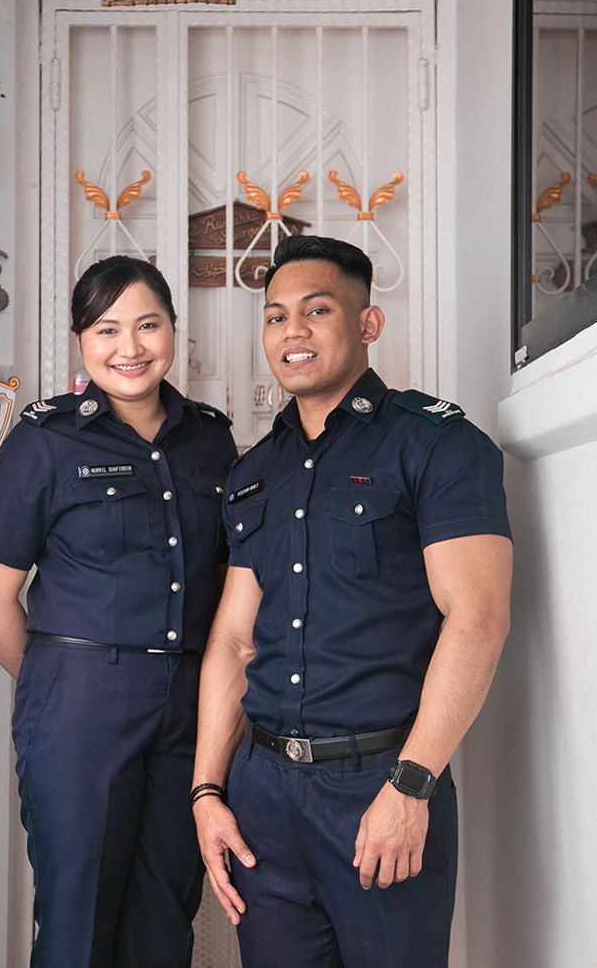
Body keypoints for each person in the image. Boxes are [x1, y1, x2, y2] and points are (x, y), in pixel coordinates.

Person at [191, 235, 512, 968]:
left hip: (381, 784)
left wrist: (413, 783)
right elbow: (235, 641)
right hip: (262, 797)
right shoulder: (252, 471)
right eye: (275, 317)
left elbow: (479, 616)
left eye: (316, 309)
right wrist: (208, 788)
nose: (291, 332)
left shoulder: (437, 446)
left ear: (368, 324)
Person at [0, 256, 238, 968]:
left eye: (148, 324)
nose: (131, 346)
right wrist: (55, 681)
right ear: (82, 340)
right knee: (78, 915)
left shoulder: (212, 439)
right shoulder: (47, 440)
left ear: (174, 330)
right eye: (108, 328)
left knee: (165, 917)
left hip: (188, 703)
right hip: (80, 700)